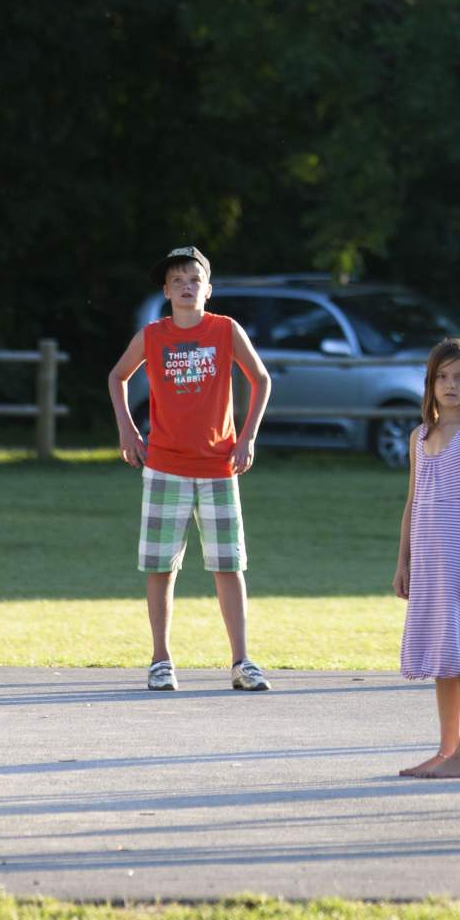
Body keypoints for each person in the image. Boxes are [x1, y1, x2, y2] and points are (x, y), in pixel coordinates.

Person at [105, 244, 275, 693]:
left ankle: (242, 661)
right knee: (161, 566)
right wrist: (128, 430)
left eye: (194, 280)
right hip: (165, 465)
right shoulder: (153, 335)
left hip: (219, 465)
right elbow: (117, 376)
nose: (185, 287)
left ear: (208, 289)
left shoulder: (224, 330)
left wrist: (247, 437)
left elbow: (261, 379)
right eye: (177, 281)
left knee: (228, 564)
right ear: (165, 290)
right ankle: (161, 659)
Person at [394, 339, 460, 777]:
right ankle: (447, 750)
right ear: (430, 383)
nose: (450, 385)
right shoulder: (420, 436)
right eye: (442, 377)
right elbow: (412, 501)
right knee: (442, 660)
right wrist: (403, 562)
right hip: (428, 564)